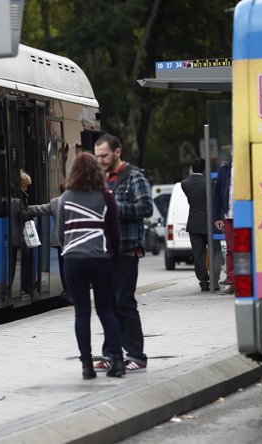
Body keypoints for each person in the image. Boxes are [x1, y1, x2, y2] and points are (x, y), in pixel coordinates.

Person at [58, 152, 125, 379]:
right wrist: (113, 262)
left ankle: (87, 366)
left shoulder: (65, 198)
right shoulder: (106, 197)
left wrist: (69, 250)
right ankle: (117, 361)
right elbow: (115, 235)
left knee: (81, 313)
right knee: (106, 310)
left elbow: (60, 233)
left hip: (73, 261)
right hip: (101, 260)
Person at [93, 134, 153, 373]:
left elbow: (146, 208)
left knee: (124, 303)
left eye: (104, 155)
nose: (101, 160)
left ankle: (137, 355)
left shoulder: (134, 176)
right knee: (107, 303)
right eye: (97, 156)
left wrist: (113, 207)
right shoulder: (100, 178)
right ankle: (111, 353)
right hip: (104, 251)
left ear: (118, 152)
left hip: (127, 250)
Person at [181, 158, 215, 292]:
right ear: (204, 169)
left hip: (194, 223)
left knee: (198, 254)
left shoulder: (185, 184)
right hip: (208, 223)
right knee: (213, 252)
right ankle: (214, 279)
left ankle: (203, 282)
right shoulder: (209, 183)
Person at [213, 155, 235, 295]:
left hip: (247, 216)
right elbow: (216, 195)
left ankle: (248, 281)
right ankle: (231, 283)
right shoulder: (225, 170)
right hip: (229, 216)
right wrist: (217, 217)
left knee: (247, 250)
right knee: (231, 251)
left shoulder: (249, 168)